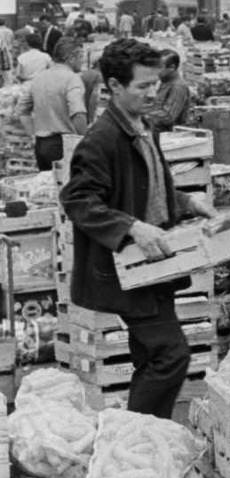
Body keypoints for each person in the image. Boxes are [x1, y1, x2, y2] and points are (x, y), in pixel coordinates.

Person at [59, 39, 212, 419]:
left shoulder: (145, 127)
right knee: (169, 354)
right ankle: (137, 433)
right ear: (114, 86)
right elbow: (79, 200)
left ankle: (144, 436)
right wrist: (131, 227)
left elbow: (152, 182)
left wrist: (187, 202)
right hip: (128, 267)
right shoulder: (102, 139)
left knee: (152, 354)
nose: (153, 92)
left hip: (156, 264)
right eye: (142, 86)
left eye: (155, 83)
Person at [28, 38, 88, 170]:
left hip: (41, 145)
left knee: (47, 186)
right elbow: (78, 114)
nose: (82, 61)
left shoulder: (39, 77)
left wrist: (32, 134)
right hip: (64, 146)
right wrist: (87, 141)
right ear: (71, 58)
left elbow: (21, 110)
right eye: (81, 56)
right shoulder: (73, 79)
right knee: (67, 186)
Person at [144, 49, 191, 132]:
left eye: (159, 67)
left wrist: (143, 117)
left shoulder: (178, 87)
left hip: (170, 137)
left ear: (172, 67)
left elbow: (168, 116)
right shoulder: (164, 82)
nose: (156, 71)